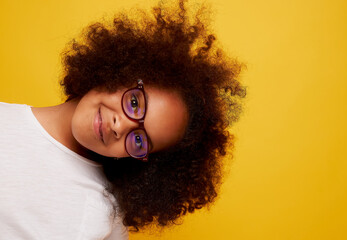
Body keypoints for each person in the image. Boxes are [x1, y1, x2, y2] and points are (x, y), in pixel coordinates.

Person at [0, 0, 246, 239]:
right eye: (135, 103)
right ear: (120, 70)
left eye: (139, 140)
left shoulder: (102, 219)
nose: (122, 126)